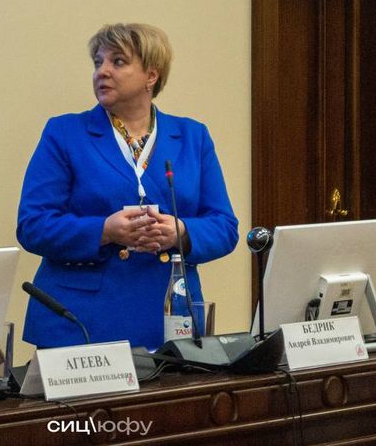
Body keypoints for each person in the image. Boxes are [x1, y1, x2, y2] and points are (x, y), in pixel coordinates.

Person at [17, 23, 239, 350]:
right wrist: (104, 231)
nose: (102, 71)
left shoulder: (193, 136)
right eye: (98, 62)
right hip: (81, 321)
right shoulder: (64, 133)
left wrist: (181, 232)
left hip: (169, 317)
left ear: (152, 75)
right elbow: (33, 225)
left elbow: (225, 227)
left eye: (118, 61)